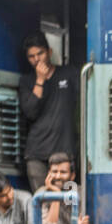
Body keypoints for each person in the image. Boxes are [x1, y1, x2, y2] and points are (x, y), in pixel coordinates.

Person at [19, 33, 79, 191]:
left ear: (49, 52)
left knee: (66, 204)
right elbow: (30, 112)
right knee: (42, 202)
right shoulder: (26, 81)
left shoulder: (68, 74)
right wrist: (40, 80)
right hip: (37, 154)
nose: (36, 59)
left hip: (64, 153)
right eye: (31, 56)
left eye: (40, 53)